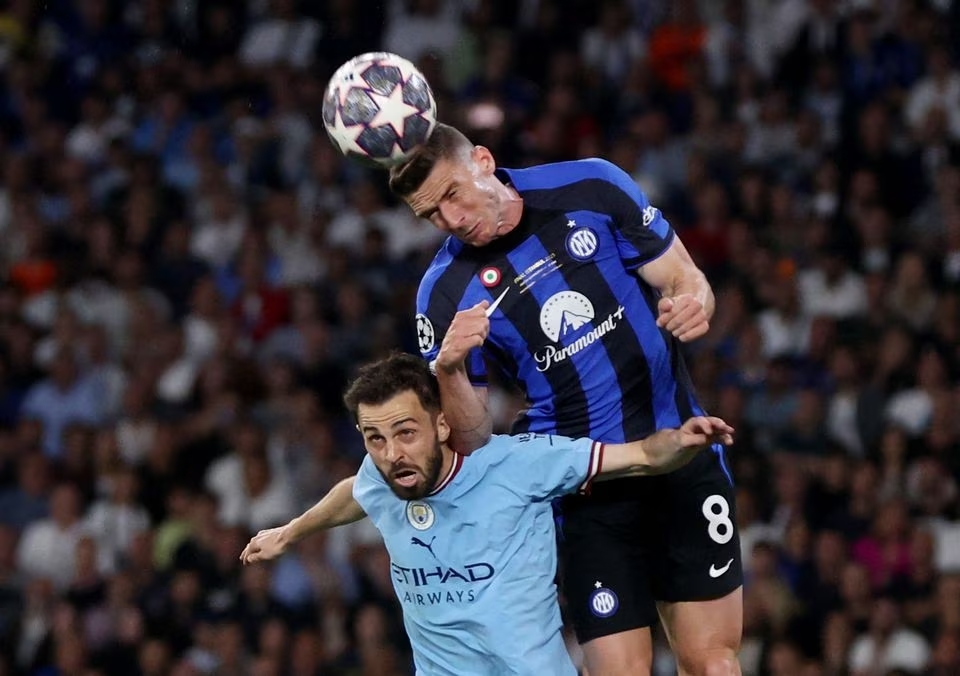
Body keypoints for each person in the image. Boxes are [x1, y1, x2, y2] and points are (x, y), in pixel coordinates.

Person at [262, 122, 742, 675]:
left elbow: (685, 276)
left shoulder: (590, 186)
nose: (452, 219)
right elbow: (470, 438)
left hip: (682, 452)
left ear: (483, 162)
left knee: (714, 664)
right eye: (432, 214)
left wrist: (690, 302)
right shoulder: (444, 293)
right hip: (588, 491)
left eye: (452, 195)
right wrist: (448, 369)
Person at [240, 353, 734, 676]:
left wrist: (682, 440)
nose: (391, 452)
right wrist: (291, 531)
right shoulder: (383, 475)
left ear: (439, 424)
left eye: (405, 432)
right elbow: (355, 491)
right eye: (375, 438)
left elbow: (641, 455)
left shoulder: (518, 464)